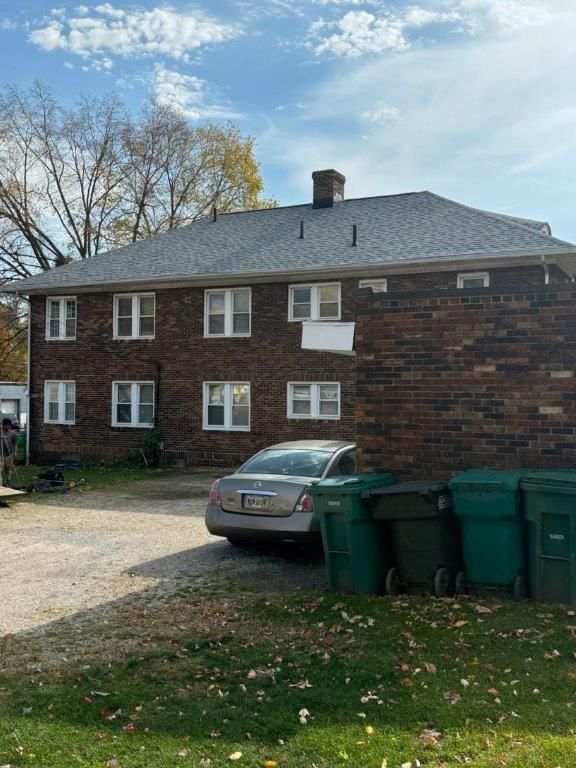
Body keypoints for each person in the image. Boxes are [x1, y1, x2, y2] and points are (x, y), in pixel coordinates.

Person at [1, 417, 17, 487]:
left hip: (9, 455)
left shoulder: (13, 434)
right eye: (5, 425)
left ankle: (7, 483)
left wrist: (14, 452)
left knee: (8, 470)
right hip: (1, 455)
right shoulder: (1, 432)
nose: (6, 427)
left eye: (8, 425)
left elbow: (14, 444)